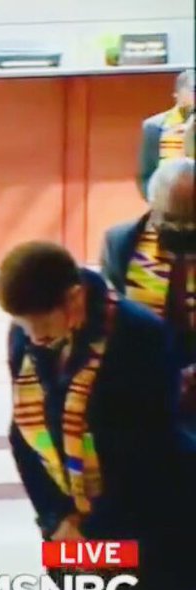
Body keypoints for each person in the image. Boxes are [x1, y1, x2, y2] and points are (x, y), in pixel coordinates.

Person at [0, 241, 195, 590]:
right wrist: (56, 518)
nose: (33, 338)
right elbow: (23, 437)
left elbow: (149, 454)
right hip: (71, 522)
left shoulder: (138, 336)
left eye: (42, 326)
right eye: (24, 327)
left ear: (74, 299)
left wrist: (93, 530)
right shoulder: (24, 338)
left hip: (142, 521)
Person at [102, 158, 196, 426]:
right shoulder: (121, 243)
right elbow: (114, 320)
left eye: (192, 223)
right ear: (153, 207)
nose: (182, 230)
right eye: (172, 221)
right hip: (147, 374)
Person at [137, 69, 194, 199]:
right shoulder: (155, 127)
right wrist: (158, 200)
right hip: (167, 200)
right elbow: (146, 176)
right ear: (177, 95)